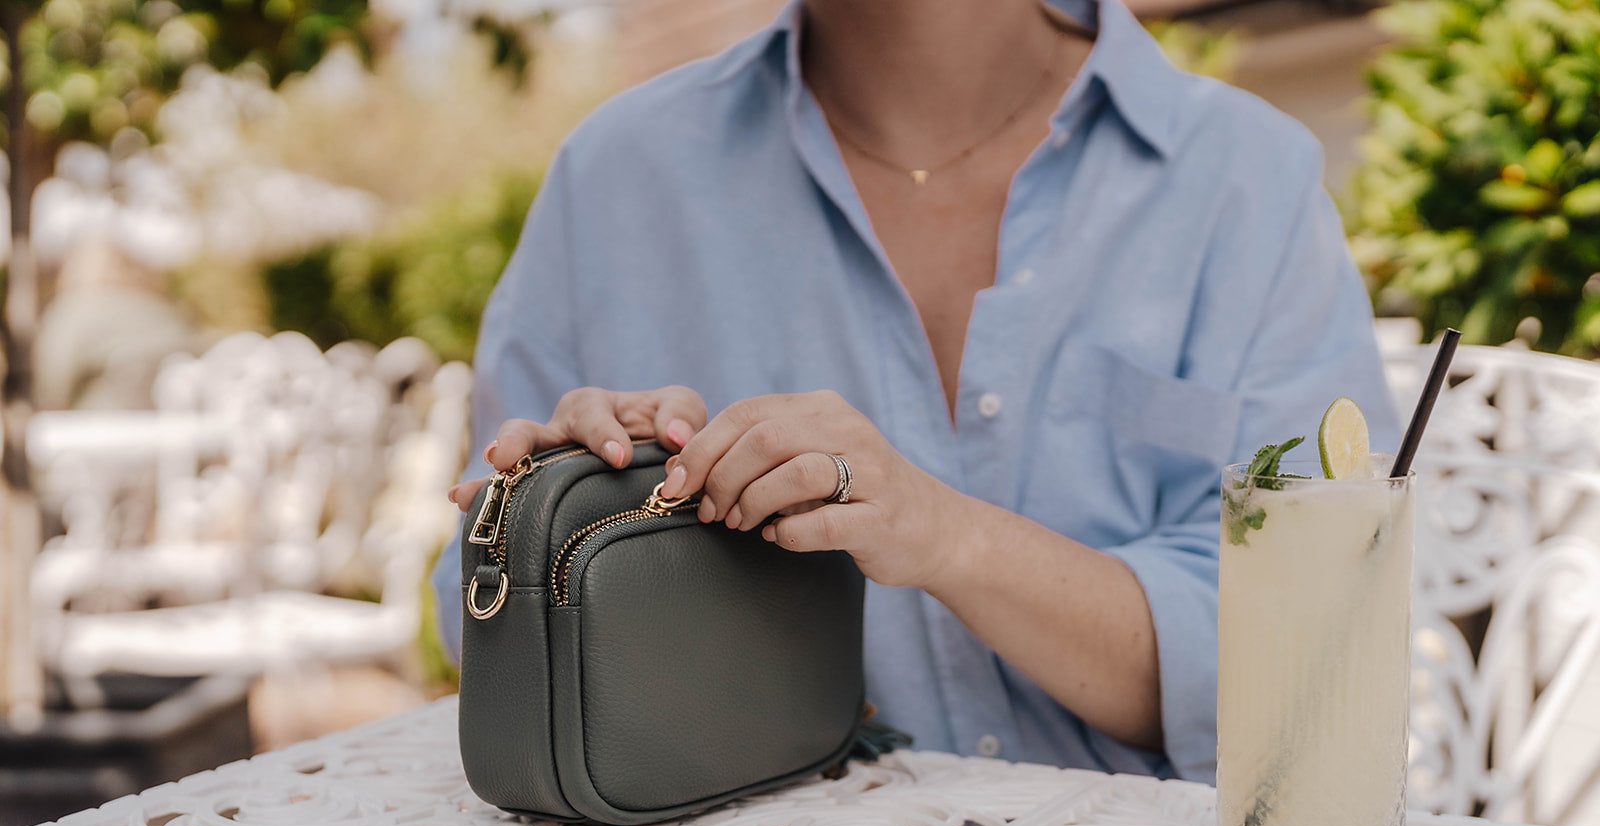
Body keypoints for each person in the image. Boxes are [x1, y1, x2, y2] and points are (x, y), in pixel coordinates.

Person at [433, 0, 1399, 785]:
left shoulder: (1245, 180)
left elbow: (1313, 665)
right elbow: (472, 622)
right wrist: (570, 510)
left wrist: (949, 535)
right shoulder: (614, 181)